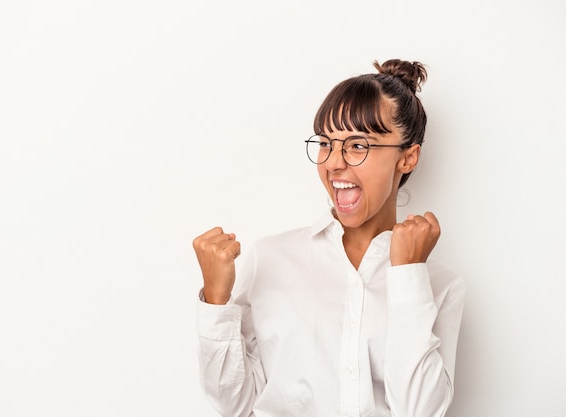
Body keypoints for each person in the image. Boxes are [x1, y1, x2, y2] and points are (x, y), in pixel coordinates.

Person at [192, 59, 466, 417]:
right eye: (325, 143)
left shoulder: (440, 285)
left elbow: (420, 412)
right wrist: (216, 299)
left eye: (357, 145)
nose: (334, 163)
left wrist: (408, 275)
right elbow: (234, 404)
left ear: (408, 157)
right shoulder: (270, 259)